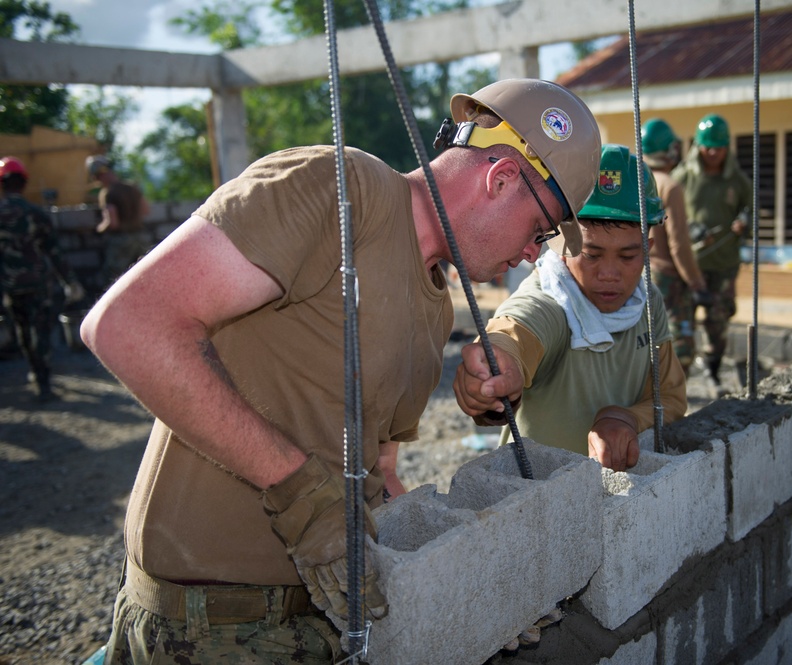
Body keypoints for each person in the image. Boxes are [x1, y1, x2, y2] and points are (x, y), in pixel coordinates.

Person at [79, 78, 601, 663]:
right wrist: (297, 490)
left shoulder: (433, 309)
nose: (535, 254)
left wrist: (465, 586)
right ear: (500, 178)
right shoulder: (343, 192)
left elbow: (374, 477)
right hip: (206, 629)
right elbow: (130, 324)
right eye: (541, 230)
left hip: (319, 623)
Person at [452, 144, 688, 472]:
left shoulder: (647, 302)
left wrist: (627, 417)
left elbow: (672, 399)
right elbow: (516, 330)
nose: (609, 274)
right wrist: (494, 367)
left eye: (628, 256)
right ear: (563, 242)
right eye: (592, 254)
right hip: (538, 503)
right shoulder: (552, 300)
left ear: (647, 249)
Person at [671, 113, 752, 387]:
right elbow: (665, 211)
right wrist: (690, 228)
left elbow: (750, 211)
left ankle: (714, 368)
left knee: (718, 322)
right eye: (709, 147)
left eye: (719, 147)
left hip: (724, 264)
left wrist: (745, 224)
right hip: (690, 266)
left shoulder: (737, 181)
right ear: (698, 146)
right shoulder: (683, 177)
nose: (714, 153)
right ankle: (681, 379)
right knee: (683, 325)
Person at [0, 156, 84, 401]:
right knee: (42, 332)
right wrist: (70, 282)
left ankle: (36, 375)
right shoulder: (35, 214)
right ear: (23, 183)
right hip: (38, 284)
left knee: (23, 331)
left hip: (10, 286)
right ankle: (44, 383)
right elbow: (54, 252)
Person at [641, 118, 707, 375]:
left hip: (641, 275)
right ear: (669, 150)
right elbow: (679, 245)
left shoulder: (635, 180)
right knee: (677, 350)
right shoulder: (670, 186)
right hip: (668, 279)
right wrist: (696, 282)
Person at [86, 155, 151, 286]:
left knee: (112, 281)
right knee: (146, 277)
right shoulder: (132, 188)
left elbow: (112, 222)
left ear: (97, 176)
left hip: (121, 242)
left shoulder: (107, 193)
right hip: (141, 238)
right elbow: (146, 210)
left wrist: (97, 230)